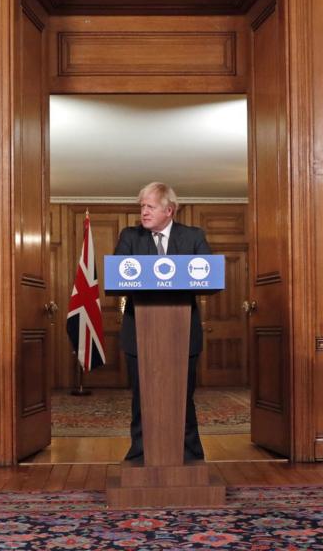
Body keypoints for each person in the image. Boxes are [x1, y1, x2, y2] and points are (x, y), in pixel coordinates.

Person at [115, 182, 211, 462]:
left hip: (182, 333)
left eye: (150, 207)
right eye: (141, 206)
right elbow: (118, 272)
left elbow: (208, 274)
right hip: (139, 331)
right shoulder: (130, 237)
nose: (143, 212)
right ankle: (140, 455)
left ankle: (190, 454)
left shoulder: (193, 237)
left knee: (183, 397)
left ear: (169, 210)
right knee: (142, 397)